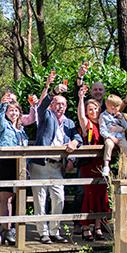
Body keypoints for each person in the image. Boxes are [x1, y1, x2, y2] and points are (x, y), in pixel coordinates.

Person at [30, 73, 80, 243]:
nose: (60, 106)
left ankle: (54, 230)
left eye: (63, 104)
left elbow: (78, 137)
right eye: (57, 103)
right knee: (40, 199)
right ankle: (42, 232)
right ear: (52, 105)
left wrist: (74, 142)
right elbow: (40, 108)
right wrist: (52, 92)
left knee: (59, 198)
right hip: (41, 164)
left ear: (66, 107)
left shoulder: (69, 123)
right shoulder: (46, 116)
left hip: (58, 165)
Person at [75, 86, 109, 241]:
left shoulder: (104, 124)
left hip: (101, 164)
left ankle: (98, 226)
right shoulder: (87, 124)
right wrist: (81, 98)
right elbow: (81, 116)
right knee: (89, 194)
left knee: (100, 195)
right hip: (89, 163)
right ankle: (86, 227)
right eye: (90, 109)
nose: (93, 111)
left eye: (95, 108)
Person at [0, 97, 28, 245]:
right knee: (5, 197)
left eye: (16, 110)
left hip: (19, 164)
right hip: (5, 163)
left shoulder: (21, 129)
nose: (13, 113)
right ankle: (6, 229)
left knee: (17, 197)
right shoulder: (3, 126)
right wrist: (3, 104)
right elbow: (0, 118)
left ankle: (14, 228)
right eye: (11, 110)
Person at [98, 93, 127, 178]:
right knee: (109, 145)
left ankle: (126, 165)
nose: (119, 109)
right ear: (113, 107)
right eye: (118, 107)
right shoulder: (103, 116)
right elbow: (102, 129)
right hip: (110, 136)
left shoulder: (119, 116)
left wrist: (121, 119)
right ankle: (106, 165)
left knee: (125, 147)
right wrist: (110, 137)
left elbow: (125, 126)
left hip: (120, 136)